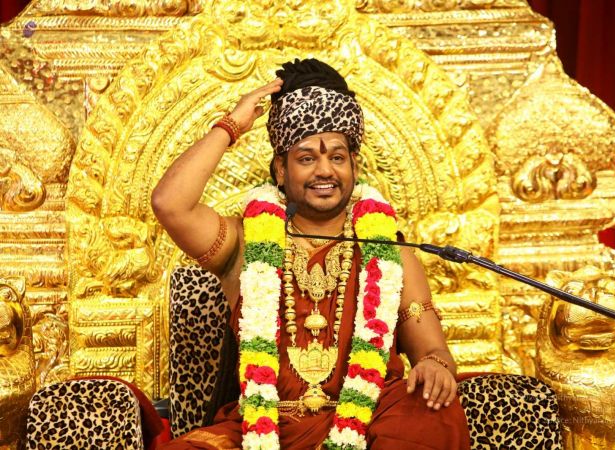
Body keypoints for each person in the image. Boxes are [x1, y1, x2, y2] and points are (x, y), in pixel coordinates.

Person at [151, 58, 470, 450]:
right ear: (280, 170)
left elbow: (433, 351)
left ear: (354, 165)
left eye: (337, 157)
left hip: (371, 424)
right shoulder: (244, 244)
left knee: (434, 413)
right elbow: (170, 204)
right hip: (266, 428)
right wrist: (231, 125)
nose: (325, 171)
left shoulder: (393, 254)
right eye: (306, 158)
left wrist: (434, 368)